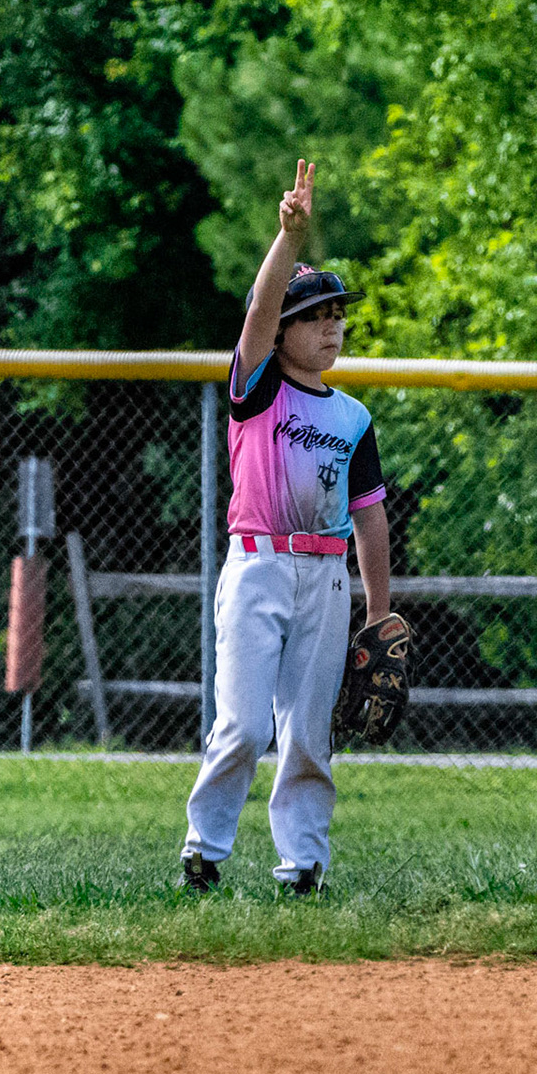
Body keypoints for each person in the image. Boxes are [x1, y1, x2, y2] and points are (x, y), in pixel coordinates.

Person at [180, 159, 392, 896]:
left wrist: (378, 610)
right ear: (284, 331)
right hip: (260, 566)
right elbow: (257, 321)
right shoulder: (257, 389)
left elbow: (369, 516)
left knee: (308, 733)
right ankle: (204, 849)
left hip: (327, 576)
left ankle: (303, 866)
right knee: (242, 725)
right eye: (316, 316)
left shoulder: (352, 416)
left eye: (337, 314)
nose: (332, 325)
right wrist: (287, 239)